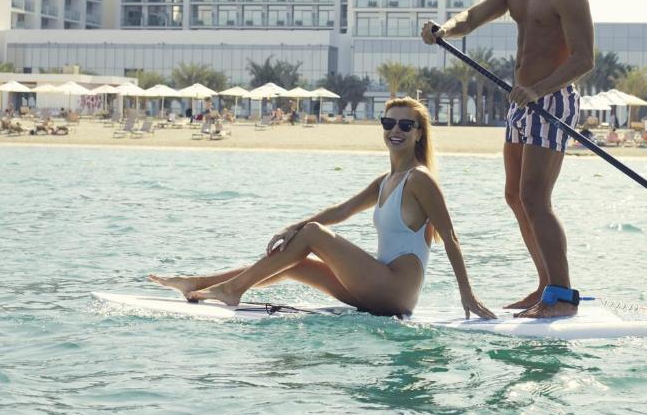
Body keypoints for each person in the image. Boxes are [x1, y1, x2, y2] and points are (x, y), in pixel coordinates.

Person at [149, 97, 495, 320]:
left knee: (313, 236)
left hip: (395, 290)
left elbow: (450, 236)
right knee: (295, 263)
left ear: (419, 134)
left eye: (406, 125)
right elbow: (340, 211)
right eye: (389, 123)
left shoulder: (420, 179)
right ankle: (199, 283)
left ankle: (232, 290)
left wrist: (468, 294)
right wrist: (292, 227)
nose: (396, 131)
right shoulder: (386, 180)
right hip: (375, 286)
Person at [421, 0, 594, 318]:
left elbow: (583, 59)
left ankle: (562, 297)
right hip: (522, 101)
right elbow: (474, 17)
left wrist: (539, 89)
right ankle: (544, 286)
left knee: (536, 197)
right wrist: (445, 28)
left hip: (550, 100)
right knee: (515, 196)